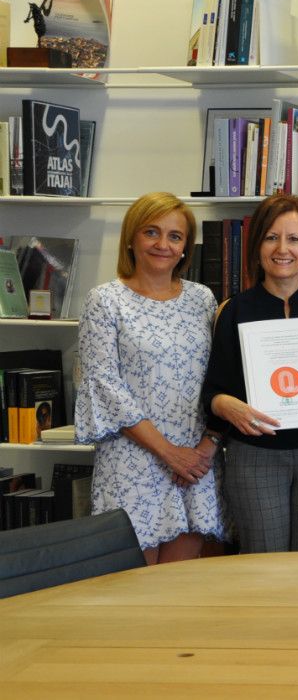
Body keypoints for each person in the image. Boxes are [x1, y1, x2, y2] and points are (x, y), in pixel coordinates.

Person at [75, 192, 226, 564]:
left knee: (180, 596)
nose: (163, 244)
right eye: (151, 232)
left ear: (185, 247)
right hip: (133, 461)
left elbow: (219, 378)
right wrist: (167, 452)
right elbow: (104, 386)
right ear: (131, 237)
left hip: (193, 465)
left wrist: (201, 450)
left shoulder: (202, 299)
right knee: (132, 596)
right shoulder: (105, 300)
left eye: (175, 236)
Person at [202, 194, 298, 553]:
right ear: (257, 245)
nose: (282, 249)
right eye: (271, 237)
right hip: (255, 455)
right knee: (263, 565)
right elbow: (212, 393)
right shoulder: (233, 310)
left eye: (294, 238)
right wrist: (231, 407)